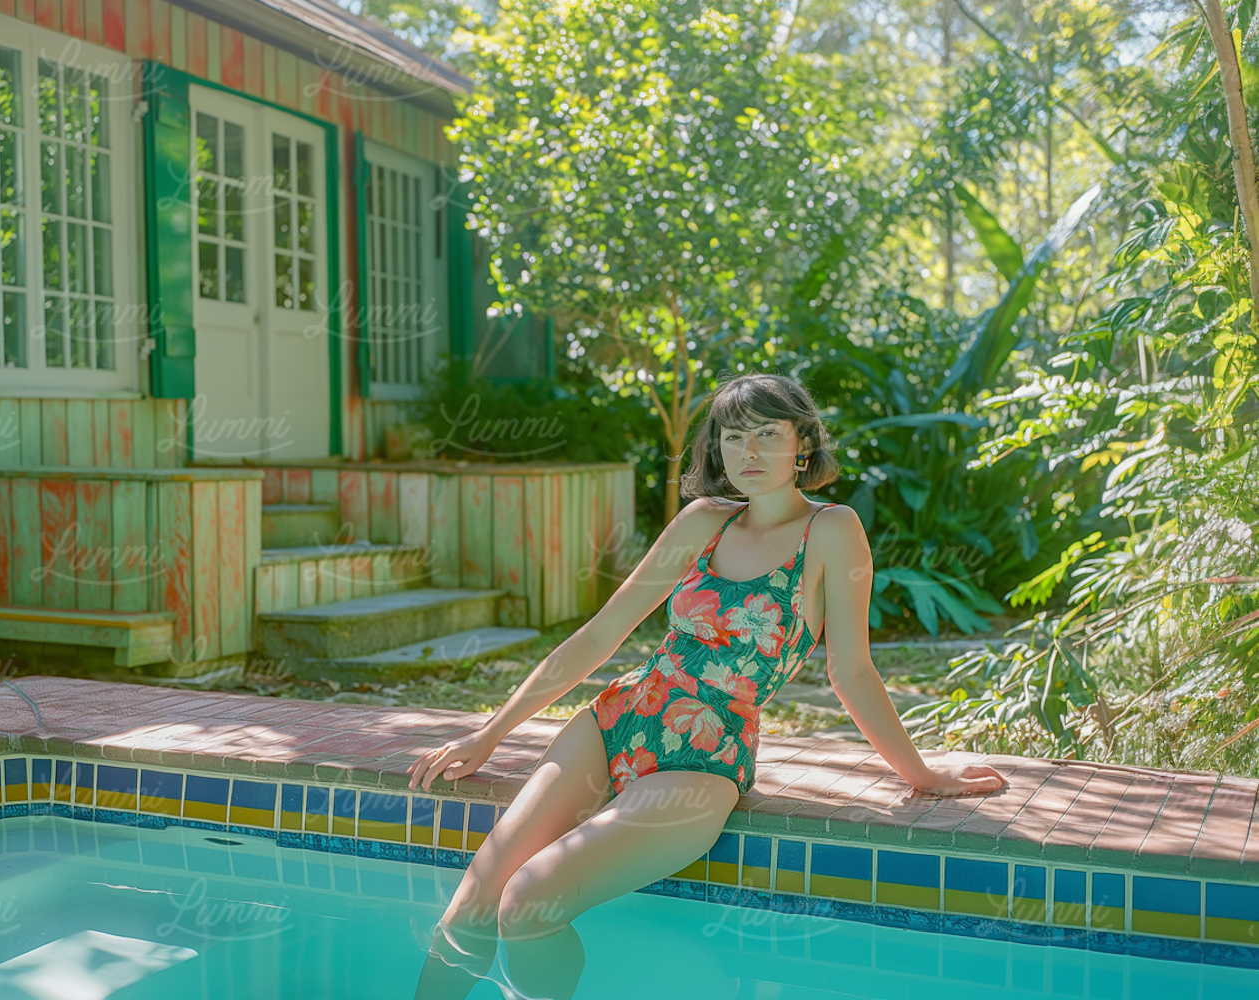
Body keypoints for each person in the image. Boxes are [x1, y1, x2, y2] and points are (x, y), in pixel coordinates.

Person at [408, 372, 1007, 1000]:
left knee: (528, 903)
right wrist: (489, 735)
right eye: (733, 436)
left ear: (803, 443)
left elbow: (850, 669)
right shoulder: (703, 521)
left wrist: (921, 775)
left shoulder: (832, 531)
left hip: (704, 755)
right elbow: (599, 635)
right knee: (472, 904)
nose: (748, 453)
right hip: (619, 718)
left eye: (767, 435)